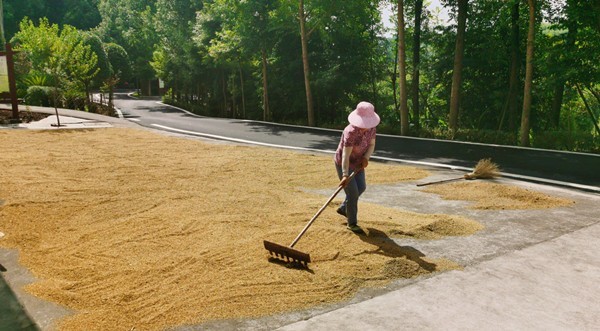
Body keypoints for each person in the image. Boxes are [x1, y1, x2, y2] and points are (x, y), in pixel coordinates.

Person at [334, 101, 380, 234]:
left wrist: (366, 158)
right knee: (352, 193)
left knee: (361, 187)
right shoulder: (350, 132)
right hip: (345, 163)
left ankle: (344, 207)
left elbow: (371, 145)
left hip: (359, 161)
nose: (366, 126)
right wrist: (344, 175)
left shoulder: (372, 129)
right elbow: (345, 155)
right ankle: (352, 223)